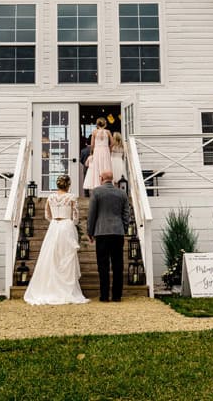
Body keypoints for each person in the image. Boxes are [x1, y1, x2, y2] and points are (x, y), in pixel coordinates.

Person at [24, 174, 89, 305]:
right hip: (66, 226)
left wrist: (54, 221)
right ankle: (66, 289)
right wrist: (72, 223)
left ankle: (50, 287)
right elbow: (75, 216)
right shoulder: (71, 197)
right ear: (68, 185)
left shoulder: (51, 197)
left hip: (54, 226)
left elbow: (47, 215)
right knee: (66, 256)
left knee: (52, 256)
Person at [87, 170, 130, 302]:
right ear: (112, 179)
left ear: (102, 179)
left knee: (103, 265)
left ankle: (104, 295)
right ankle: (117, 296)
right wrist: (124, 228)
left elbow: (92, 214)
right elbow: (126, 214)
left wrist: (90, 231)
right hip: (117, 232)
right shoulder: (122, 193)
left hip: (102, 232)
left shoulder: (96, 192)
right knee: (118, 264)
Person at [83, 118, 111, 191]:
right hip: (105, 150)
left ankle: (97, 184)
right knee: (106, 166)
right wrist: (108, 148)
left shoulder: (94, 132)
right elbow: (113, 142)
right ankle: (106, 185)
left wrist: (91, 152)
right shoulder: (108, 132)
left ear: (97, 124)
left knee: (97, 167)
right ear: (105, 123)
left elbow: (92, 144)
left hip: (97, 150)